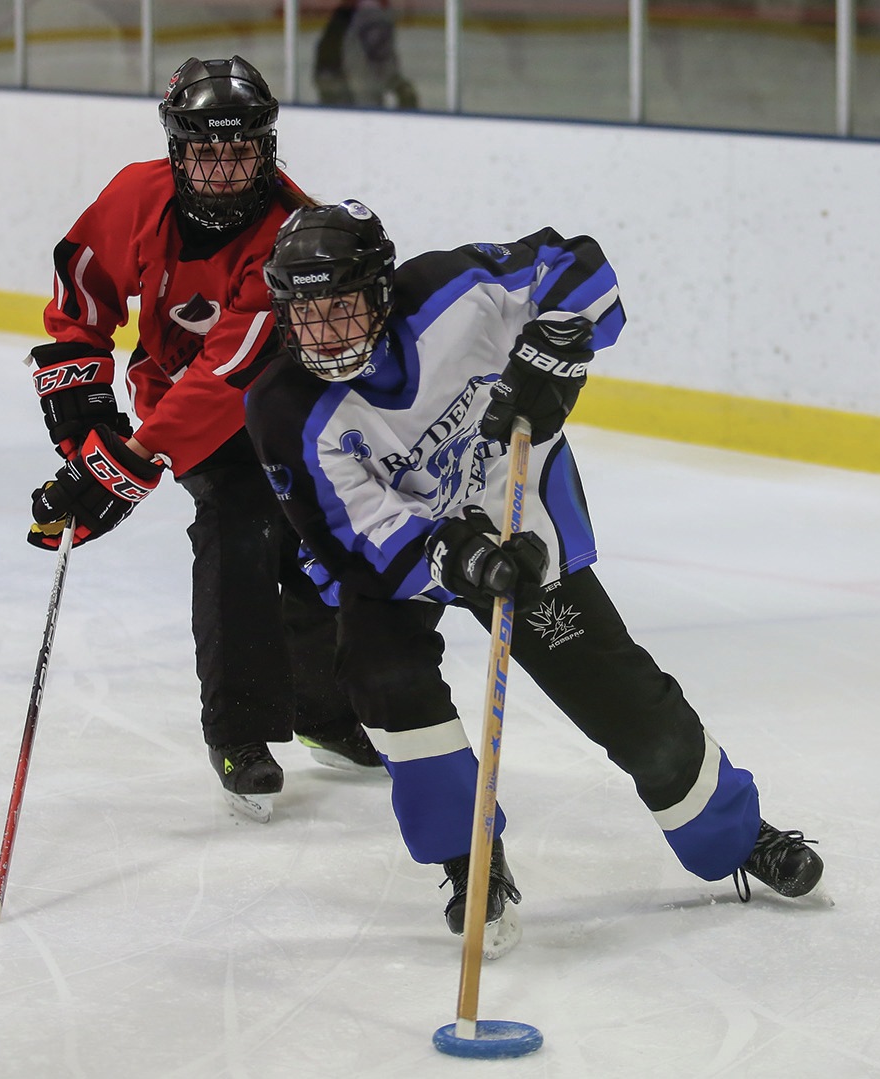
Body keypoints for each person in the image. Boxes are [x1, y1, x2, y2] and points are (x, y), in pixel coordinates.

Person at [244, 199, 824, 957]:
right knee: (386, 685)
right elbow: (355, 536)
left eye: (343, 307)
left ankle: (735, 836)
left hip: (513, 515)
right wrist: (461, 556)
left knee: (622, 695)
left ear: (382, 290)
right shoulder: (283, 406)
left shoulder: (456, 291)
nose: (326, 332)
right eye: (306, 314)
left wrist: (555, 346)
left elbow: (582, 266)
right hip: (410, 559)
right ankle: (470, 861)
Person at [24, 58, 383, 824]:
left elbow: (233, 370)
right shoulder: (134, 194)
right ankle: (242, 733)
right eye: (206, 152)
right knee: (241, 522)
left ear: (267, 146)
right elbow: (81, 297)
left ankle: (325, 707)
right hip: (170, 400)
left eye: (241, 151)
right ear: (177, 148)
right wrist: (84, 419)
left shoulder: (289, 229)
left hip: (284, 405)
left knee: (321, 542)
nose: (224, 170)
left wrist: (133, 462)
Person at [314, 0, 420, 109]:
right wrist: (370, 100)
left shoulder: (379, 10)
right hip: (336, 76)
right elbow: (353, 58)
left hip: (337, 74)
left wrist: (394, 82)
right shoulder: (367, 11)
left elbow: (382, 53)